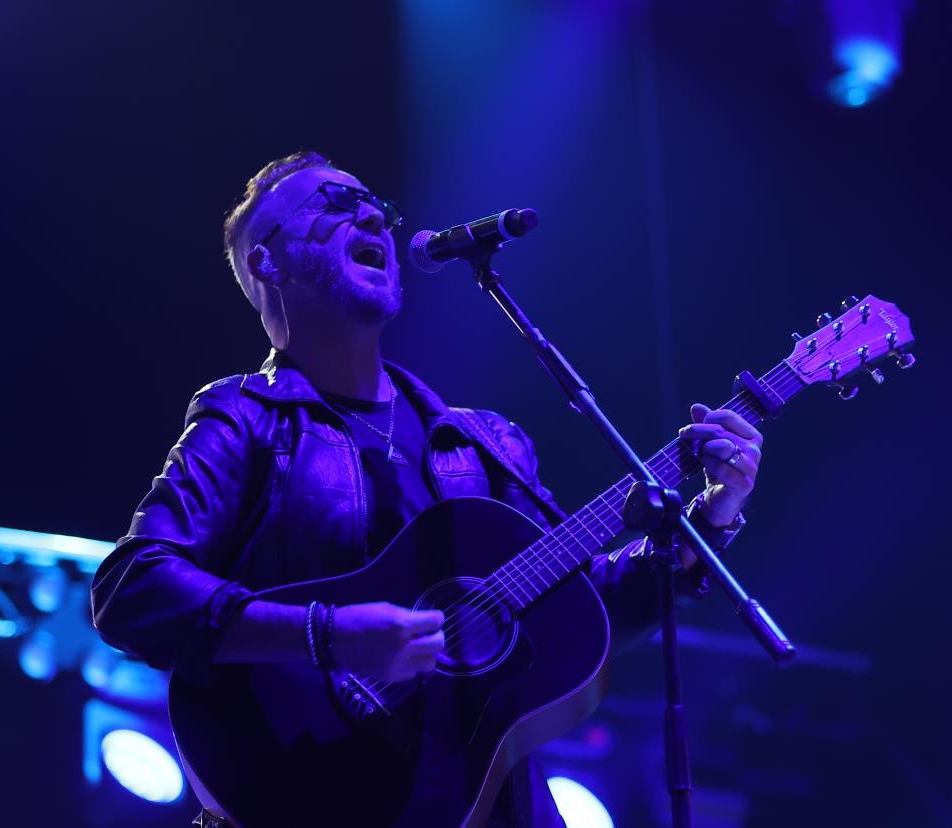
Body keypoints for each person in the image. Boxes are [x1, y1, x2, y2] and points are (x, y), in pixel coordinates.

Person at [89, 151, 766, 827]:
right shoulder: (246, 416)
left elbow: (584, 608)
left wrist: (709, 520)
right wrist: (326, 634)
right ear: (266, 262)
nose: (368, 215)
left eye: (376, 208)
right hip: (302, 791)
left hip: (486, 804)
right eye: (330, 204)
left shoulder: (484, 442)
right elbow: (134, 589)